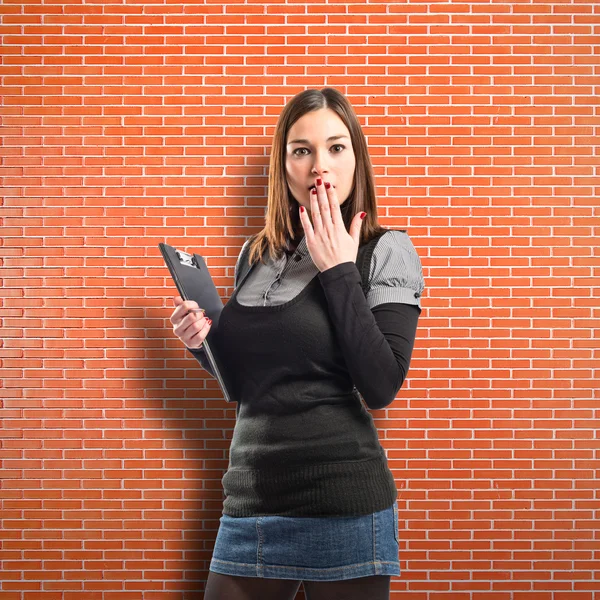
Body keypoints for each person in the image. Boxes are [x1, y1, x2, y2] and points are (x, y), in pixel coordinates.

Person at [170, 87, 425, 600]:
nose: (318, 166)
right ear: (283, 165)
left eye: (335, 147)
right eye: (301, 150)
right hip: (250, 501)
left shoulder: (385, 250)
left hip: (343, 502)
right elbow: (245, 384)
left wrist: (338, 271)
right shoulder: (257, 253)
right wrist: (202, 344)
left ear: (357, 158)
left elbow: (380, 385)